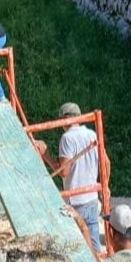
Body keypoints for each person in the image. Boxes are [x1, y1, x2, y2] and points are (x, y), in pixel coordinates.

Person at [41, 102, 102, 252]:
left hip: (76, 202)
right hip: (92, 197)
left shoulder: (67, 138)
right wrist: (104, 186)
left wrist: (45, 154)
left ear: (65, 119)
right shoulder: (92, 134)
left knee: (77, 248)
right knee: (94, 247)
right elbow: (105, 163)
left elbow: (63, 171)